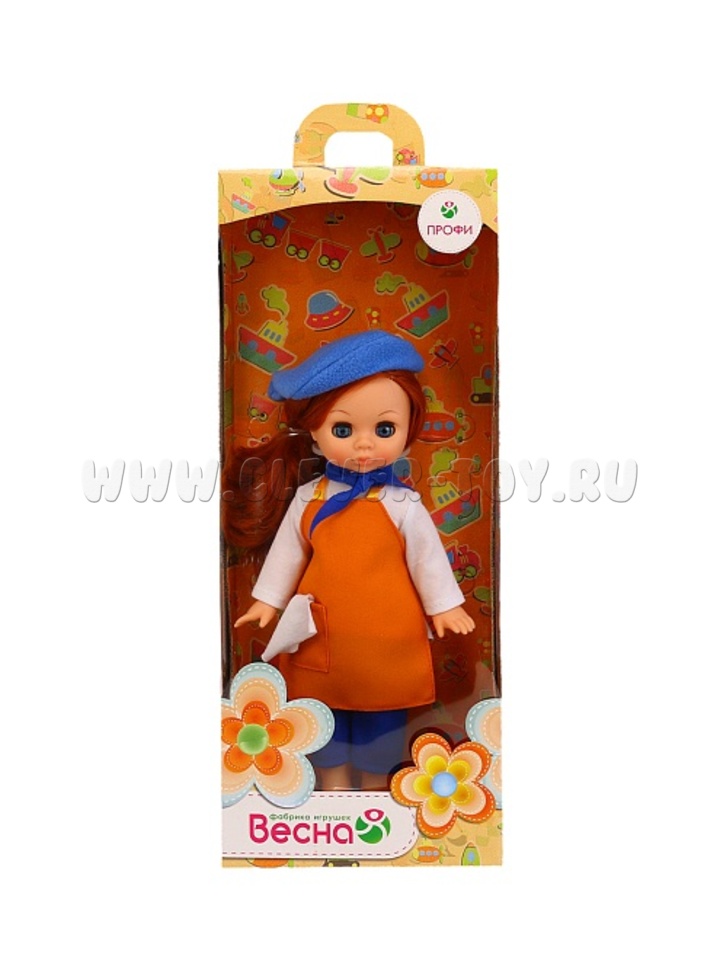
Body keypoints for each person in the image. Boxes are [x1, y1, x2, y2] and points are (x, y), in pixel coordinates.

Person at [223, 330, 474, 789]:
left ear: (409, 429)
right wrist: (267, 601)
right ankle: (333, 787)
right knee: (323, 720)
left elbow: (427, 560)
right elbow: (288, 554)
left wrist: (444, 606)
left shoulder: (402, 503)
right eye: (343, 430)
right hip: (324, 639)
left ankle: (377, 789)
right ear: (315, 433)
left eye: (384, 429)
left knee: (384, 723)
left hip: (387, 642)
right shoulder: (309, 497)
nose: (364, 445)